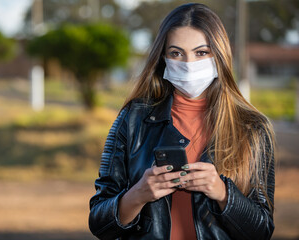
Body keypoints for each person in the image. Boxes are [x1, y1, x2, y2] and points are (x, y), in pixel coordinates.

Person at [89, 3, 275, 240]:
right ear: (163, 58)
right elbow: (99, 222)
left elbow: (262, 231)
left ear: (219, 55)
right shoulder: (132, 118)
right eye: (176, 53)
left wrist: (222, 193)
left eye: (201, 52)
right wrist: (138, 194)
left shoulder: (253, 128)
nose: (188, 65)